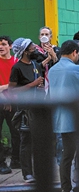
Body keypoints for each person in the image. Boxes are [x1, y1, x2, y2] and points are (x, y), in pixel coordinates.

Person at [48, 40, 79, 192]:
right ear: (75, 52)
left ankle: (66, 188)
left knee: (66, 156)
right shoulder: (78, 69)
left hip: (61, 119)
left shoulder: (52, 70)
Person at [8, 38, 46, 183]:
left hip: (38, 108)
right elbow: (12, 90)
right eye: (31, 47)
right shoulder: (17, 68)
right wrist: (32, 85)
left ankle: (39, 172)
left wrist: (39, 87)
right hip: (25, 110)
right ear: (24, 51)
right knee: (26, 142)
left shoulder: (35, 65)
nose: (34, 49)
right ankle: (27, 174)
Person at [0, 35, 20, 174]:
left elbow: (20, 84)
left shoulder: (16, 62)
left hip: (14, 102)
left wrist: (5, 87)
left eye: (3, 44)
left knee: (17, 133)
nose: (1, 47)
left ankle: (16, 160)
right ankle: (1, 163)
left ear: (10, 46)